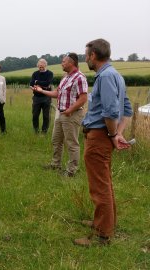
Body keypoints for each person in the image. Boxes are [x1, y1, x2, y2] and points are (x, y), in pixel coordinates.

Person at [74, 39, 133, 246]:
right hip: (104, 135)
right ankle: (105, 222)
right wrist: (118, 133)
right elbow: (127, 109)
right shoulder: (116, 75)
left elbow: (110, 112)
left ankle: (103, 235)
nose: (85, 58)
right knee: (104, 182)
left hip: (100, 136)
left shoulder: (106, 77)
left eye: (86, 55)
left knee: (99, 186)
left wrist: (112, 134)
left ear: (93, 55)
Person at [34, 53, 88, 177]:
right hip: (62, 113)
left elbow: (83, 98)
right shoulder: (66, 77)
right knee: (56, 140)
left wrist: (70, 110)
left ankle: (71, 171)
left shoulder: (80, 77)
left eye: (64, 62)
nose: (61, 64)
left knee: (71, 143)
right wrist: (42, 91)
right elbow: (57, 93)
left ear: (71, 63)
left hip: (72, 114)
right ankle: (55, 164)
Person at [30, 59, 53, 134]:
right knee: (35, 115)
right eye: (39, 67)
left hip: (46, 97)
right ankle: (36, 131)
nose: (41, 68)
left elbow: (47, 83)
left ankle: (44, 132)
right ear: (38, 66)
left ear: (45, 65)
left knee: (46, 116)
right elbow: (31, 84)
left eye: (42, 66)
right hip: (36, 97)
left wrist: (37, 82)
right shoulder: (35, 73)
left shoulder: (50, 73)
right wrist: (39, 84)